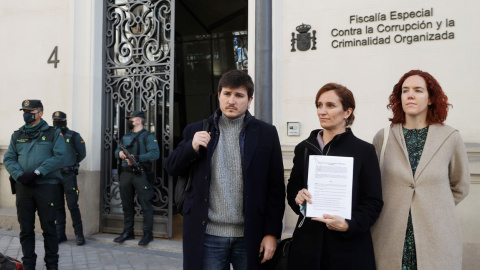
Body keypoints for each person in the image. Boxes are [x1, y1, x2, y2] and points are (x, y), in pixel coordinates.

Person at [165, 70, 285, 270]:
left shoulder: (266, 134)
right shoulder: (196, 130)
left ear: (249, 100)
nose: (232, 100)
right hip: (208, 234)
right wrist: (191, 147)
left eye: (239, 95)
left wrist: (272, 234)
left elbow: (276, 188)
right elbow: (172, 167)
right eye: (227, 94)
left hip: (250, 235)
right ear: (219, 95)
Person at [371, 70, 470, 270]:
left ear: (431, 98)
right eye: (405, 90)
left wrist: (435, 206)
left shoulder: (450, 137)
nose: (410, 95)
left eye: (418, 90)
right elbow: (371, 185)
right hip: (389, 235)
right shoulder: (384, 137)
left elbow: (460, 185)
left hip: (436, 237)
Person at [286, 83, 383, 269]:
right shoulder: (304, 149)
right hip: (308, 247)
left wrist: (348, 225)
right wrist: (297, 197)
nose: (322, 111)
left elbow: (373, 202)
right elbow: (292, 188)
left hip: (347, 249)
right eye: (319, 105)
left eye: (330, 105)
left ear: (347, 112)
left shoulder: (364, 151)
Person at [4, 99, 66, 270]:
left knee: (49, 229)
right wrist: (20, 175)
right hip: (24, 187)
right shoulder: (17, 135)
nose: (27, 114)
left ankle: (52, 265)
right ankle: (29, 264)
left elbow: (59, 156)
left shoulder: (54, 133)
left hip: (46, 186)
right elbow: (8, 158)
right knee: (25, 229)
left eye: (30, 111)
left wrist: (38, 172)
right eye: (24, 110)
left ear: (40, 113)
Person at [113, 110, 160, 246]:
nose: (129, 121)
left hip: (141, 174)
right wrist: (121, 153)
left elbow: (155, 153)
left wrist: (137, 158)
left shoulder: (148, 137)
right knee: (127, 205)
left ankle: (147, 234)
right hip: (126, 174)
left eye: (131, 119)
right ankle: (128, 232)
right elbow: (116, 151)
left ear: (139, 120)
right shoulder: (125, 137)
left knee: (146, 204)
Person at [51, 111, 86, 246]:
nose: (57, 122)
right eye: (55, 120)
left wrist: (71, 163)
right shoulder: (50, 135)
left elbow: (82, 153)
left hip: (68, 175)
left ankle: (79, 234)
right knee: (58, 206)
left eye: (60, 120)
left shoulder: (73, 136)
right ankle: (61, 234)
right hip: (54, 175)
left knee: (72, 205)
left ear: (65, 120)